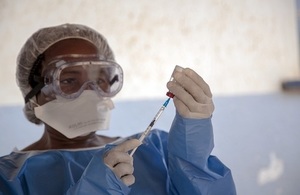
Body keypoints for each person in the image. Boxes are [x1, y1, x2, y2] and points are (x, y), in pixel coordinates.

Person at [0, 23, 236, 195]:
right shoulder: (9, 178)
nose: (90, 92)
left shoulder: (154, 150)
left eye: (100, 79)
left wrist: (193, 151)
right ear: (33, 91)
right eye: (69, 80)